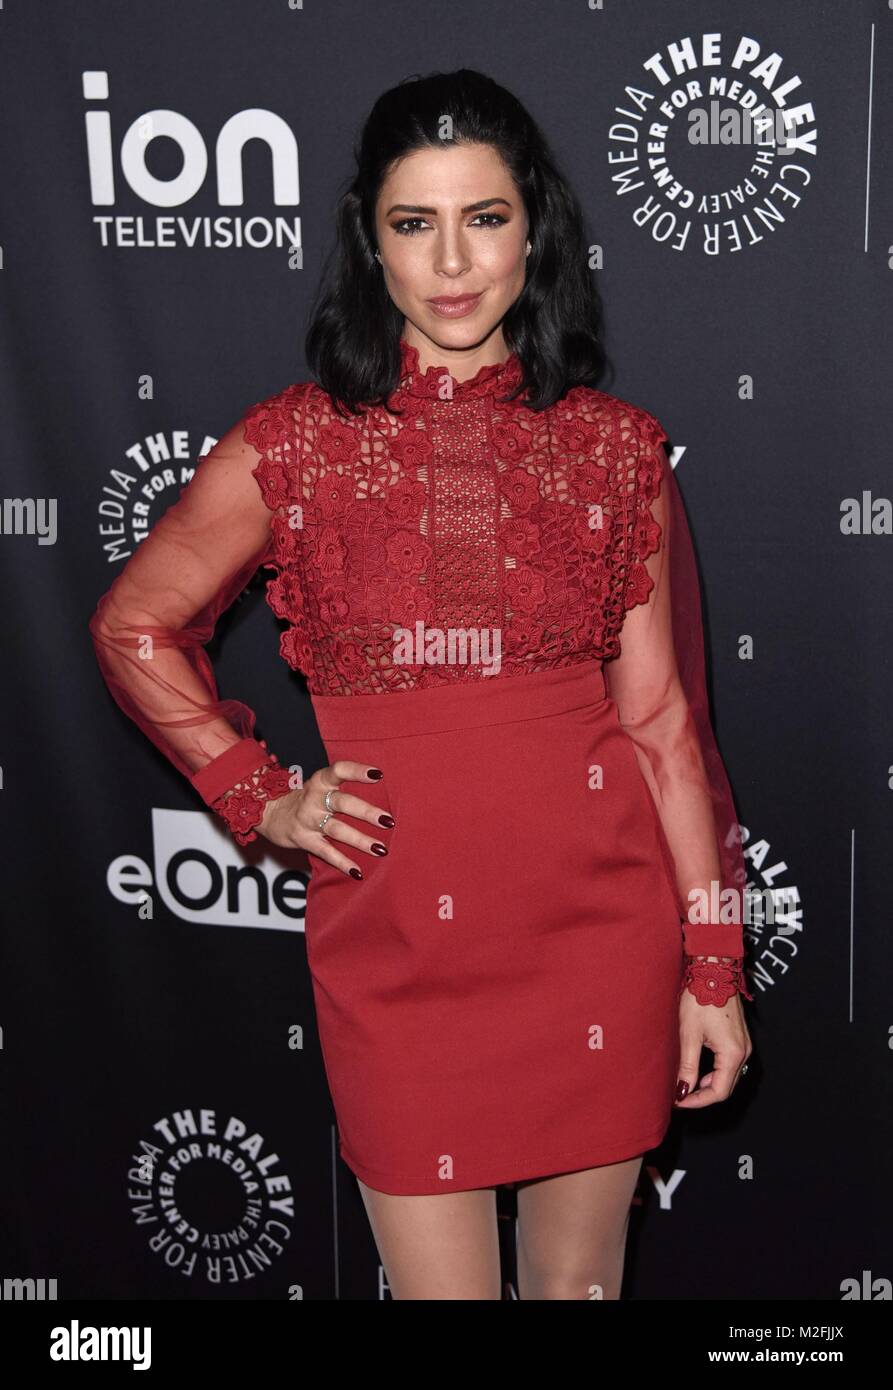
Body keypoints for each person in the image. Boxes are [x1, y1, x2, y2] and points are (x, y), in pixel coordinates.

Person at [89, 68, 753, 1301]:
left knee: (575, 1295)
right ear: (368, 240)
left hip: (598, 934)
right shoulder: (292, 441)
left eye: (485, 218)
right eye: (413, 222)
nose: (452, 261)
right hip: (396, 941)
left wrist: (708, 969)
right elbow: (137, 624)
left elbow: (660, 724)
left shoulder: (614, 448)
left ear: (535, 229)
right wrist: (260, 795)